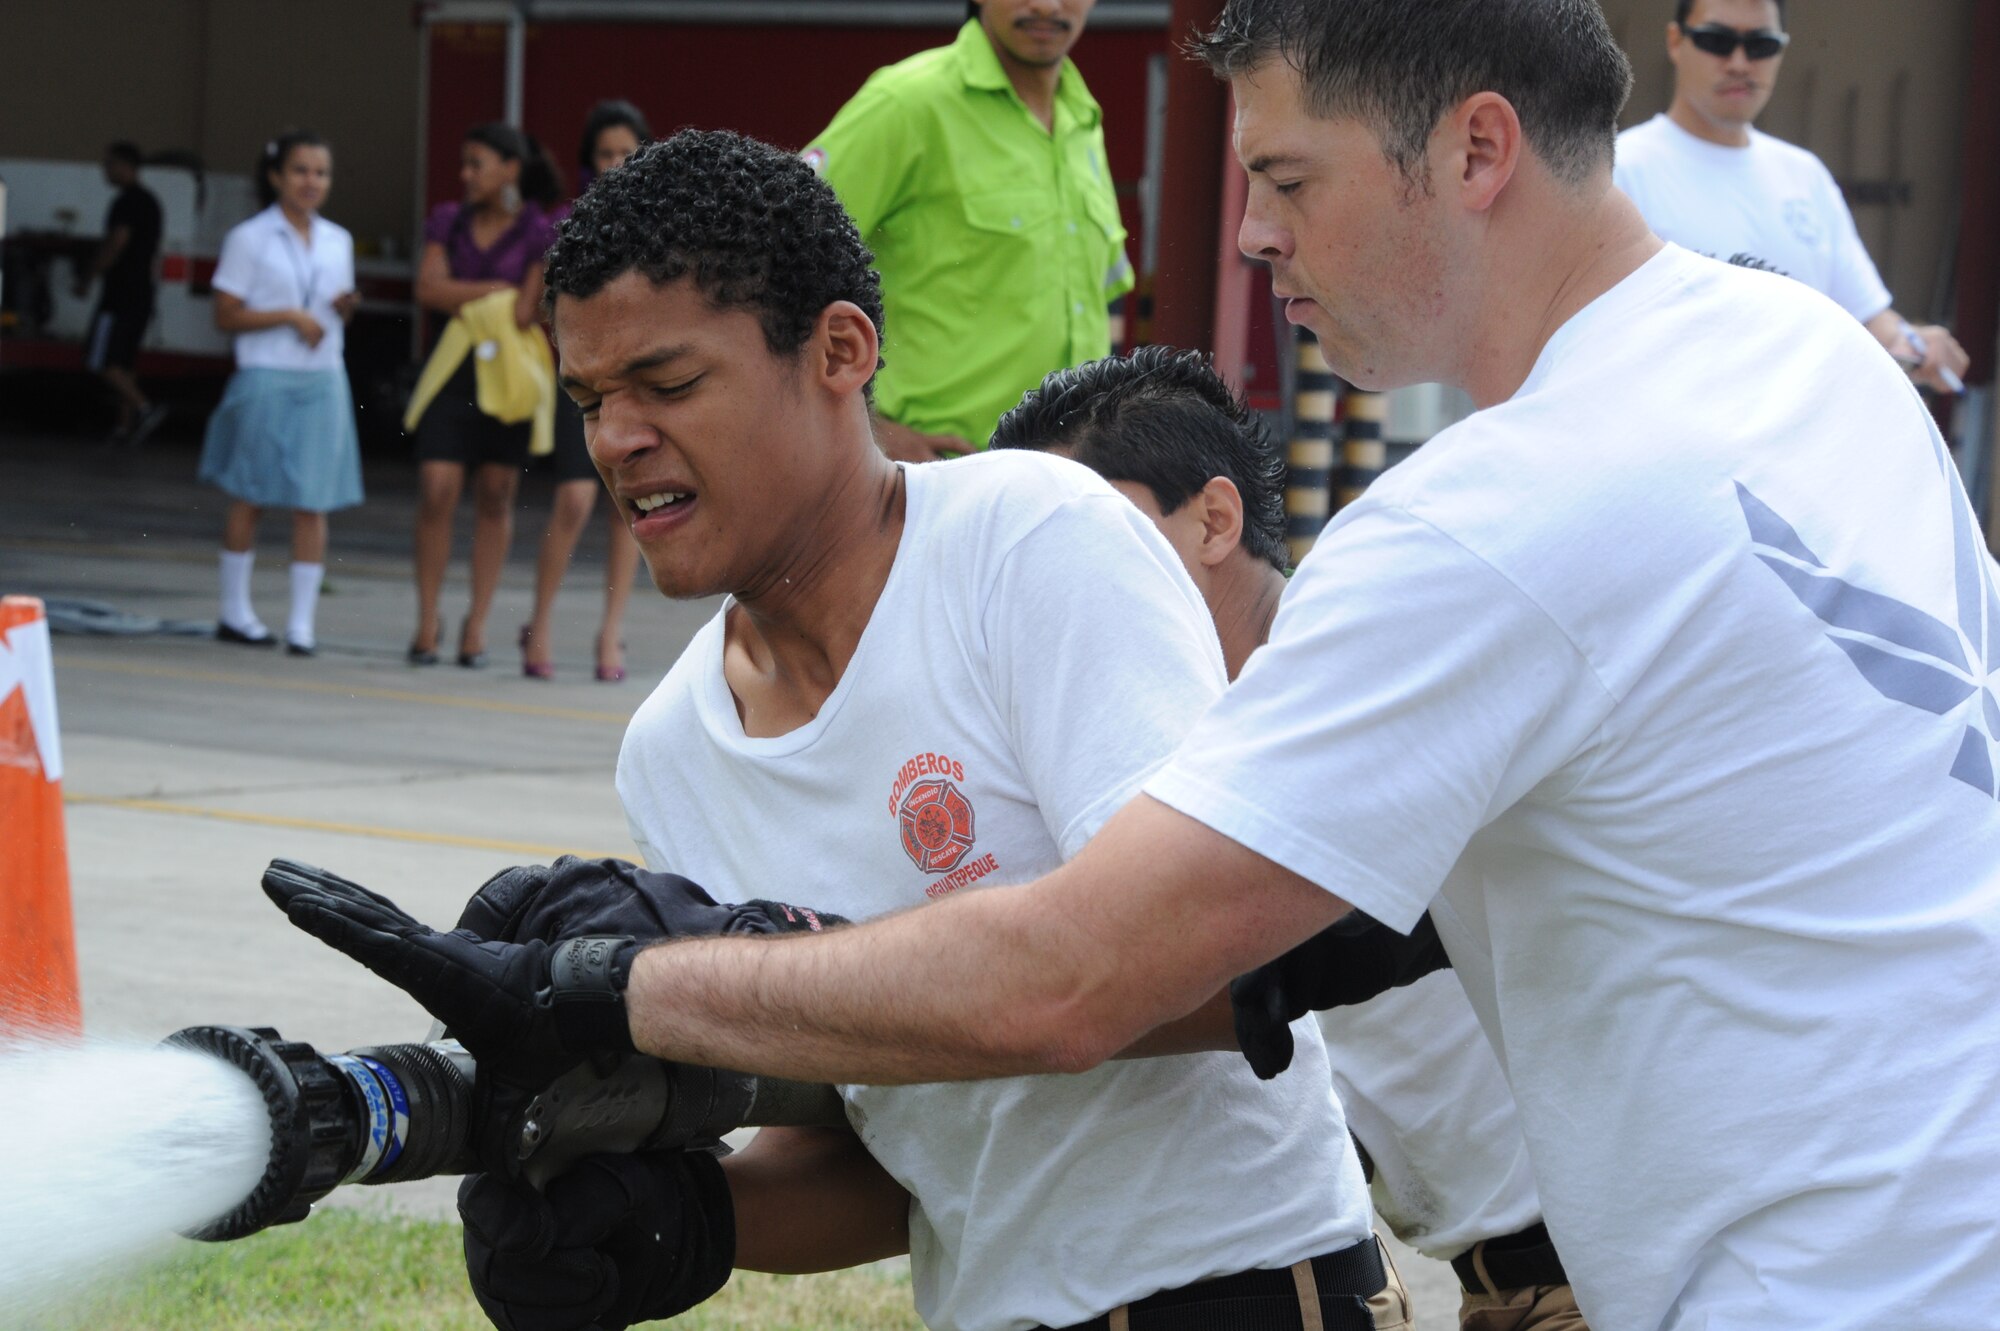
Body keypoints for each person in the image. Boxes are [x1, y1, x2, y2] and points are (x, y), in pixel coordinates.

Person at [270, 3, 2000, 1328]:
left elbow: (1082, 977)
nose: (1253, 237)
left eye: (1287, 178)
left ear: (1475, 151)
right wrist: (701, 1202)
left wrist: (611, 991)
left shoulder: (1494, 517)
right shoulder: (1807, 358)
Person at [279, 130, 1400, 1331]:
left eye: (667, 383)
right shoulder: (673, 749)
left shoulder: (1027, 540)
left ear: (838, 350)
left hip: (1236, 1297)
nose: (616, 439)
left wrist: (637, 986)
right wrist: (674, 1227)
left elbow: (1191, 979)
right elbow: (898, 1144)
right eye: (591, 400)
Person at [992, 347, 1581, 1331]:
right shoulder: (1196, 751)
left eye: (1085, 532)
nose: (1051, 580)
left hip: (1603, 1267)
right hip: (1492, 1282)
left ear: (1214, 519)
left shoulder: (1363, 663)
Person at [802, 0, 1133, 461]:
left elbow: (1103, 298)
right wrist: (867, 428)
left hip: (1067, 481)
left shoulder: (1081, 117)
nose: (1045, 5)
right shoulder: (907, 102)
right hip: (935, 484)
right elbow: (777, 255)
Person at [1613, 0, 1970, 393]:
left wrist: (1917, 343)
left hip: (1807, 443)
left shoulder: (1805, 176)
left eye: (1761, 45)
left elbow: (1869, 321)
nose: (1739, 63)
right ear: (1676, 41)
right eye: (1717, 40)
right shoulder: (1619, 172)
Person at [197, 131, 362, 656]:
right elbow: (225, 314)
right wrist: (289, 315)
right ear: (275, 176)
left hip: (321, 375)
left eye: (321, 172)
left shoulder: (338, 240)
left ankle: (300, 623)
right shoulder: (250, 237)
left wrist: (342, 307)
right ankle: (234, 610)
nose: (311, 181)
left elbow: (339, 309)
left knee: (312, 501)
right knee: (252, 493)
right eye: (300, 170)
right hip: (266, 371)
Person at [406, 122, 560, 667]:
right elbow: (428, 289)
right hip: (454, 371)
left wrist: (467, 297)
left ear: (510, 170)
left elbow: (525, 311)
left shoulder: (537, 230)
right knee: (436, 486)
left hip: (510, 376)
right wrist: (494, 290)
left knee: (496, 493)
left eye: (478, 163)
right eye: (465, 164)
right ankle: (427, 618)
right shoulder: (449, 220)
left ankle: (476, 623)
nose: (467, 174)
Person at [520, 101, 650, 683]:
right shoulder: (569, 227)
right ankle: (540, 624)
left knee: (632, 505)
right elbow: (536, 307)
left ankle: (610, 632)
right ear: (588, 162)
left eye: (626, 151)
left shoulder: (662, 225)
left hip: (643, 382)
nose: (616, 162)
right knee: (574, 501)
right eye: (604, 153)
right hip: (586, 384)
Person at [75, 141, 167, 443]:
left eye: (109, 164)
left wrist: (89, 276)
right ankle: (123, 426)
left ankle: (145, 408)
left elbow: (117, 242)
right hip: (142, 294)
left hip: (119, 295)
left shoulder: (126, 202)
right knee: (125, 363)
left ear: (124, 166)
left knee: (103, 360)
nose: (105, 171)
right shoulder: (151, 202)